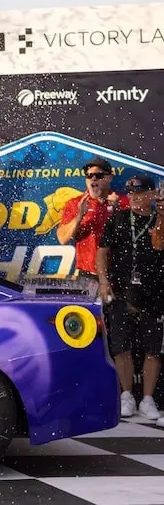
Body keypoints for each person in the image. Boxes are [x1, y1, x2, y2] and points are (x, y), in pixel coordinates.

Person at [96, 174, 164, 420]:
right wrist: (103, 281)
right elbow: (101, 252)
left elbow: (159, 245)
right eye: (131, 193)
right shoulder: (119, 218)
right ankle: (126, 395)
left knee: (153, 350)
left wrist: (162, 216)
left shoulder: (159, 218)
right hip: (122, 292)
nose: (134, 198)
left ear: (151, 195)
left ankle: (147, 399)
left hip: (154, 293)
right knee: (121, 346)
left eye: (140, 193)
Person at [59, 156, 127, 295]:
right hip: (88, 277)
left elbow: (132, 236)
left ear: (109, 178)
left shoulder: (123, 201)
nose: (93, 179)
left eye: (99, 175)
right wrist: (79, 216)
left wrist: (117, 211)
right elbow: (62, 238)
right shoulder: (75, 203)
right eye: (89, 175)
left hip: (119, 275)